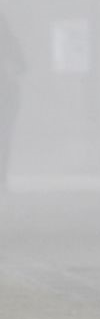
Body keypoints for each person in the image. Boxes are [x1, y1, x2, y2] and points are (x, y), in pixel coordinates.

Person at [0, 13, 25, 192]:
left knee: (4, 135)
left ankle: (1, 178)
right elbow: (22, 66)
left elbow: (22, 65)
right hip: (8, 93)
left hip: (6, 94)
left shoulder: (9, 42)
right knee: (4, 136)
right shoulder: (10, 41)